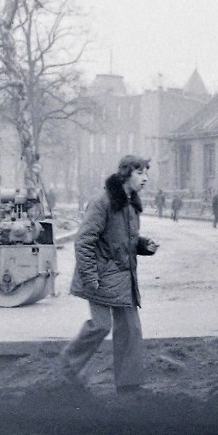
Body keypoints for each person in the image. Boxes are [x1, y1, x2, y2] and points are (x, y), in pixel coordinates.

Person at [60, 155, 159, 393]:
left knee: (131, 329)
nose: (145, 178)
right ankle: (67, 367)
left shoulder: (130, 204)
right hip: (99, 276)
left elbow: (123, 241)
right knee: (100, 325)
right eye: (139, 173)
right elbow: (84, 241)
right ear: (125, 174)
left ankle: (129, 385)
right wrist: (90, 276)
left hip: (122, 277)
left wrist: (143, 245)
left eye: (146, 172)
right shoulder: (103, 202)